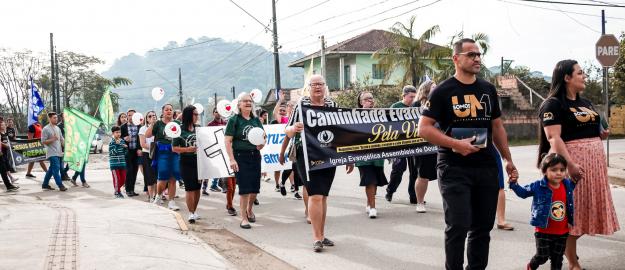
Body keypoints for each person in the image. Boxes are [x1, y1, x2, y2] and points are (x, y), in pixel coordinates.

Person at [418, 38, 518, 269]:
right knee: (458, 225)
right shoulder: (443, 91)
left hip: (485, 167)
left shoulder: (487, 89)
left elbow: (497, 127)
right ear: (456, 58)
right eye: (471, 55)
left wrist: (508, 160)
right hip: (453, 167)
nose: (477, 59)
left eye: (479, 54)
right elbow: (424, 128)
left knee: (482, 228)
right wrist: (455, 143)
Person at [537, 59, 619, 270]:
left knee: (587, 212)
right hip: (571, 165)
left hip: (594, 166)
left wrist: (600, 133)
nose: (584, 76)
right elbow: (554, 138)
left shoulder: (587, 103)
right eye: (580, 73)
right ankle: (573, 263)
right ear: (566, 77)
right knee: (573, 214)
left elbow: (593, 127)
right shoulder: (553, 104)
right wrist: (570, 165)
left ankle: (570, 256)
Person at [285, 74, 354, 252]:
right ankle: (316, 238)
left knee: (323, 195)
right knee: (315, 194)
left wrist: (349, 156)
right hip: (307, 155)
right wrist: (294, 128)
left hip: (329, 153)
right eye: (314, 84)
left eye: (321, 84)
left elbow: (342, 131)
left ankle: (322, 235)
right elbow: (288, 131)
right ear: (308, 87)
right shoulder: (301, 105)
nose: (318, 87)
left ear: (325, 86)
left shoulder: (332, 105)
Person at [509, 153, 576, 270]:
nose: (559, 173)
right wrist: (514, 183)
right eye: (554, 170)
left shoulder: (567, 185)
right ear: (544, 171)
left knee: (557, 259)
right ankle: (531, 265)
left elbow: (574, 183)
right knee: (542, 256)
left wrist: (578, 177)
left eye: (562, 169)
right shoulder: (538, 186)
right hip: (543, 231)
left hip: (562, 231)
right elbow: (523, 193)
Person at [225, 93, 265, 229]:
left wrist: (262, 144)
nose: (248, 103)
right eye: (245, 101)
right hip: (240, 156)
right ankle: (243, 218)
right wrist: (232, 159)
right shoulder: (234, 120)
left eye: (250, 101)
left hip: (255, 155)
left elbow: (262, 137)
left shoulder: (256, 120)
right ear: (239, 104)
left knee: (254, 188)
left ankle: (249, 209)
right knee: (244, 189)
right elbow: (228, 141)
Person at [354, 91, 388, 218]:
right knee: (369, 180)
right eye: (367, 99)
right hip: (362, 154)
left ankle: (369, 202)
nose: (370, 101)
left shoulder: (380, 114)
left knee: (375, 180)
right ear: (361, 102)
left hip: (378, 154)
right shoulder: (354, 116)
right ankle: (373, 207)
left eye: (371, 98)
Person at [385, 85, 418, 204]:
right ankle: (390, 191)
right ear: (404, 96)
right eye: (411, 97)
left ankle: (414, 196)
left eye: (415, 97)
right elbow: (388, 125)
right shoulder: (395, 107)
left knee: (415, 172)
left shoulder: (417, 106)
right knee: (398, 169)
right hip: (399, 144)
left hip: (414, 144)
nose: (413, 99)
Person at [145, 104, 181, 211]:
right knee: (163, 176)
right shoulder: (158, 123)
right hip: (162, 151)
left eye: (170, 109)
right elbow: (147, 135)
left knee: (173, 177)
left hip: (174, 151)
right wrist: (152, 124)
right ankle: (158, 196)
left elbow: (181, 136)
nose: (169, 111)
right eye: (166, 110)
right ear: (163, 112)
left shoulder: (177, 123)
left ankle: (171, 201)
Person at [411, 80, 438, 213]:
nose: (436, 89)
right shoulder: (416, 105)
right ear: (426, 90)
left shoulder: (440, 102)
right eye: (433, 87)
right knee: (423, 174)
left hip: (439, 143)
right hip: (422, 146)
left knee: (444, 173)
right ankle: (420, 202)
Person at [173, 105, 202, 223]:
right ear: (189, 115)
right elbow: (174, 148)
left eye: (197, 114)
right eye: (195, 114)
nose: (197, 116)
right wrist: (187, 149)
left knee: (197, 188)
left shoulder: (199, 128)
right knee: (190, 188)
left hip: (199, 162)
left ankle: (194, 211)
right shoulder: (179, 130)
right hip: (186, 162)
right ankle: (190, 213)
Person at [41, 112, 67, 192]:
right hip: (51, 153)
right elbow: (43, 141)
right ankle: (60, 185)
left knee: (51, 169)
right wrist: (52, 139)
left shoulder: (57, 128)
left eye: (56, 117)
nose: (56, 119)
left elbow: (62, 140)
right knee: (56, 168)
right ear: (50, 118)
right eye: (54, 118)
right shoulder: (45, 129)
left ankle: (45, 184)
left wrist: (67, 147)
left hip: (59, 152)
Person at [121, 109, 141, 197]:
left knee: (135, 171)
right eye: (129, 115)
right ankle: (127, 189)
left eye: (133, 115)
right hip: (127, 151)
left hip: (136, 151)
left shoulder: (139, 126)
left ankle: (132, 189)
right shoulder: (123, 127)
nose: (131, 117)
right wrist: (123, 139)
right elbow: (118, 138)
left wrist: (139, 148)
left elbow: (141, 139)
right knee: (129, 170)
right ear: (127, 116)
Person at [139, 111, 157, 202]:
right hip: (147, 154)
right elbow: (143, 144)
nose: (152, 117)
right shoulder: (143, 129)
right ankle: (150, 197)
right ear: (146, 118)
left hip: (158, 153)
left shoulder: (159, 127)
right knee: (149, 176)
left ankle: (157, 196)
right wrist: (154, 147)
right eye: (150, 116)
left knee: (157, 176)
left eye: (154, 115)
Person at [493, 148, 513, 230]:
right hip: (462, 149)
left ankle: (501, 220)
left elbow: (499, 135)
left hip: (489, 150)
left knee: (499, 186)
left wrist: (508, 160)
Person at [109, 126, 128, 198]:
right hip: (114, 164)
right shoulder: (112, 142)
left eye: (119, 132)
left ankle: (117, 190)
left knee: (123, 179)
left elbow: (125, 153)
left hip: (122, 163)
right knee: (117, 179)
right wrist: (116, 145)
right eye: (116, 132)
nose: (118, 134)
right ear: (113, 133)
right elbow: (112, 153)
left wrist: (126, 148)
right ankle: (117, 192)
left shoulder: (122, 141)